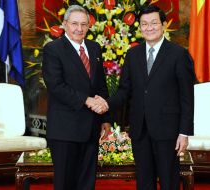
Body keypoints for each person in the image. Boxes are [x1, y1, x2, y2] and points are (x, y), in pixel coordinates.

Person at [94, 5, 195, 190]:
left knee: (169, 181)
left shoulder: (179, 54)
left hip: (168, 131)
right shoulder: (133, 54)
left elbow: (187, 97)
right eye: (144, 24)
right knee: (144, 181)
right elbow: (124, 90)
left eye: (154, 23)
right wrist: (105, 104)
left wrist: (184, 132)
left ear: (163, 24)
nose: (149, 28)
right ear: (139, 27)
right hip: (140, 130)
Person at [42, 5, 111, 190]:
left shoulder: (95, 48)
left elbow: (100, 86)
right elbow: (56, 86)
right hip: (65, 129)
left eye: (83, 24)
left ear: (89, 26)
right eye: (74, 24)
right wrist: (87, 100)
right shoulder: (53, 49)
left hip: (91, 127)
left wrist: (105, 119)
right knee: (65, 183)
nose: (79, 29)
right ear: (64, 24)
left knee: (87, 183)